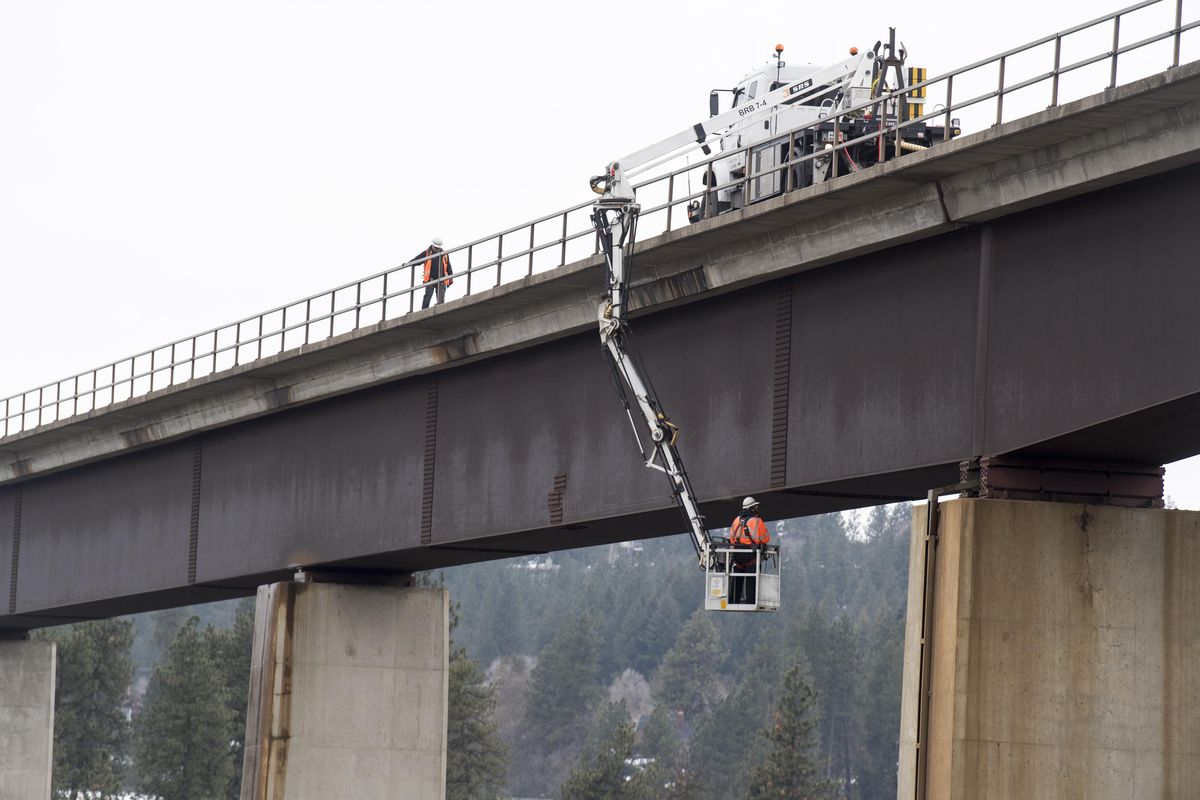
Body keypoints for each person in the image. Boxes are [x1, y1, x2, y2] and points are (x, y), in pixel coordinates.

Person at [728, 496, 770, 604]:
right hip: (750, 555)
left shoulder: (736, 520)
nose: (757, 509)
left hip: (737, 555)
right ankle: (750, 601)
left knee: (737, 577)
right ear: (751, 508)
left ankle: (733, 600)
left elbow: (731, 538)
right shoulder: (756, 521)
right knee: (751, 578)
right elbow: (765, 538)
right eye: (755, 507)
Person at [416, 237, 454, 309]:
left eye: (438, 248)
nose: (437, 249)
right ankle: (424, 311)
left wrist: (451, 277)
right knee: (427, 296)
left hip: (442, 279)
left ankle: (441, 311)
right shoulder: (427, 253)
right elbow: (417, 260)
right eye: (436, 247)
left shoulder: (444, 254)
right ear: (432, 245)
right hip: (431, 279)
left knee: (441, 298)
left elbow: (448, 267)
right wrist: (408, 263)